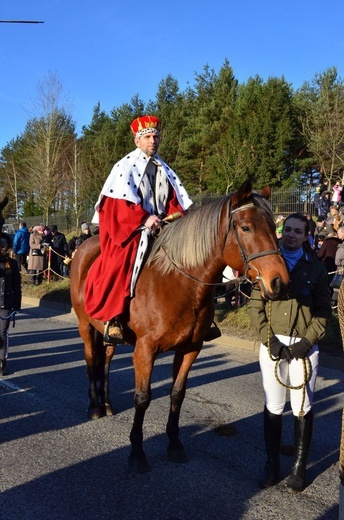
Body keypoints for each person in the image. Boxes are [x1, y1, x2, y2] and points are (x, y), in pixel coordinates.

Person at [84, 115, 193, 344]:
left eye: (156, 136)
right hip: (133, 230)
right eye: (148, 137)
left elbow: (175, 201)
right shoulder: (125, 167)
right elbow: (117, 206)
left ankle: (197, 315)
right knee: (120, 261)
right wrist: (145, 219)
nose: (153, 140)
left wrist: (177, 219)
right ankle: (113, 318)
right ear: (137, 141)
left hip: (165, 229)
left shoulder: (165, 169)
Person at [248, 213, 332, 492]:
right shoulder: (268, 264)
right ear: (282, 232)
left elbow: (323, 312)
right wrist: (269, 340)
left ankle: (298, 467)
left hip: (304, 348)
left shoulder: (316, 269)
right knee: (273, 405)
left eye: (299, 231)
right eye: (288, 230)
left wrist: (306, 343)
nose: (292, 235)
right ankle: (271, 464)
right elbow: (255, 308)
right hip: (273, 345)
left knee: (302, 407)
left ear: (307, 236)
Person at [0, 232, 21, 376]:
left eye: (5, 246)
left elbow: (16, 286)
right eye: (1, 246)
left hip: (6, 304)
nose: (3, 249)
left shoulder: (12, 264)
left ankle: (2, 362)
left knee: (2, 333)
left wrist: (17, 305)